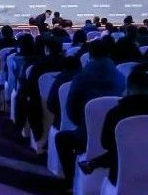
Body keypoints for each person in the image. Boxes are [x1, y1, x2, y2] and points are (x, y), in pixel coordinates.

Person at [53, 39, 125, 183]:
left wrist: (85, 122)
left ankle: (69, 181)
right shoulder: (121, 77)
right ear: (109, 53)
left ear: (90, 55)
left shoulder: (81, 77)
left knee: (61, 138)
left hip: (86, 134)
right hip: (117, 133)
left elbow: (71, 110)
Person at [78, 68, 148, 179]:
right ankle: (94, 163)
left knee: (123, 149)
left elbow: (105, 143)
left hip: (121, 175)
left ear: (129, 90)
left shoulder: (116, 113)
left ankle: (94, 163)